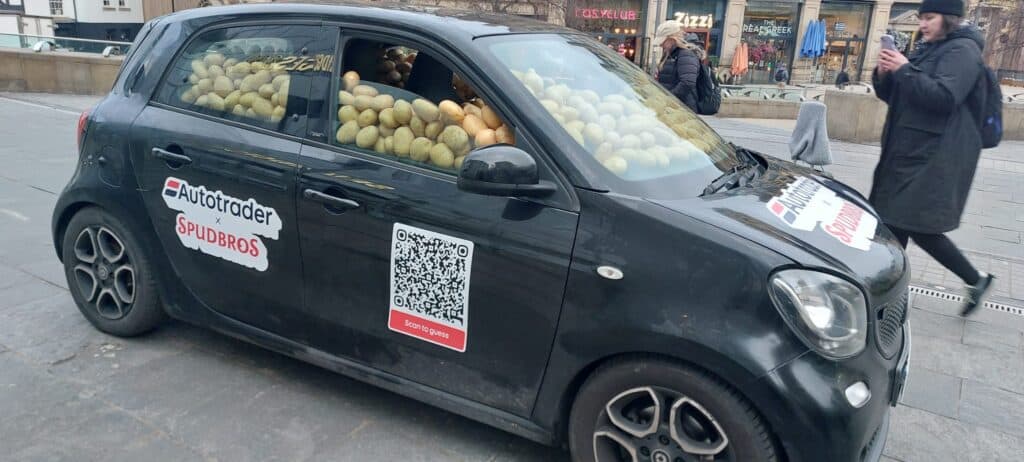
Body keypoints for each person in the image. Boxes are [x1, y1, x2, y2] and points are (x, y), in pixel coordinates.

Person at [871, 0, 995, 316]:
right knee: (896, 224)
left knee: (906, 225)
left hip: (935, 156)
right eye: (921, 18)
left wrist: (903, 68)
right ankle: (889, 298)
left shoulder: (963, 51)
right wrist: (884, 73)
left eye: (930, 17)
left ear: (949, 18)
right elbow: (897, 94)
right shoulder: (929, 48)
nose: (923, 24)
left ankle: (886, 300)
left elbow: (943, 97)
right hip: (909, 152)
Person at [653, 21, 705, 112]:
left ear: (672, 38)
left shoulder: (686, 54)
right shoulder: (672, 54)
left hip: (681, 109)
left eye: (663, 41)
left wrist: (668, 99)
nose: (661, 45)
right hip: (673, 107)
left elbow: (687, 83)